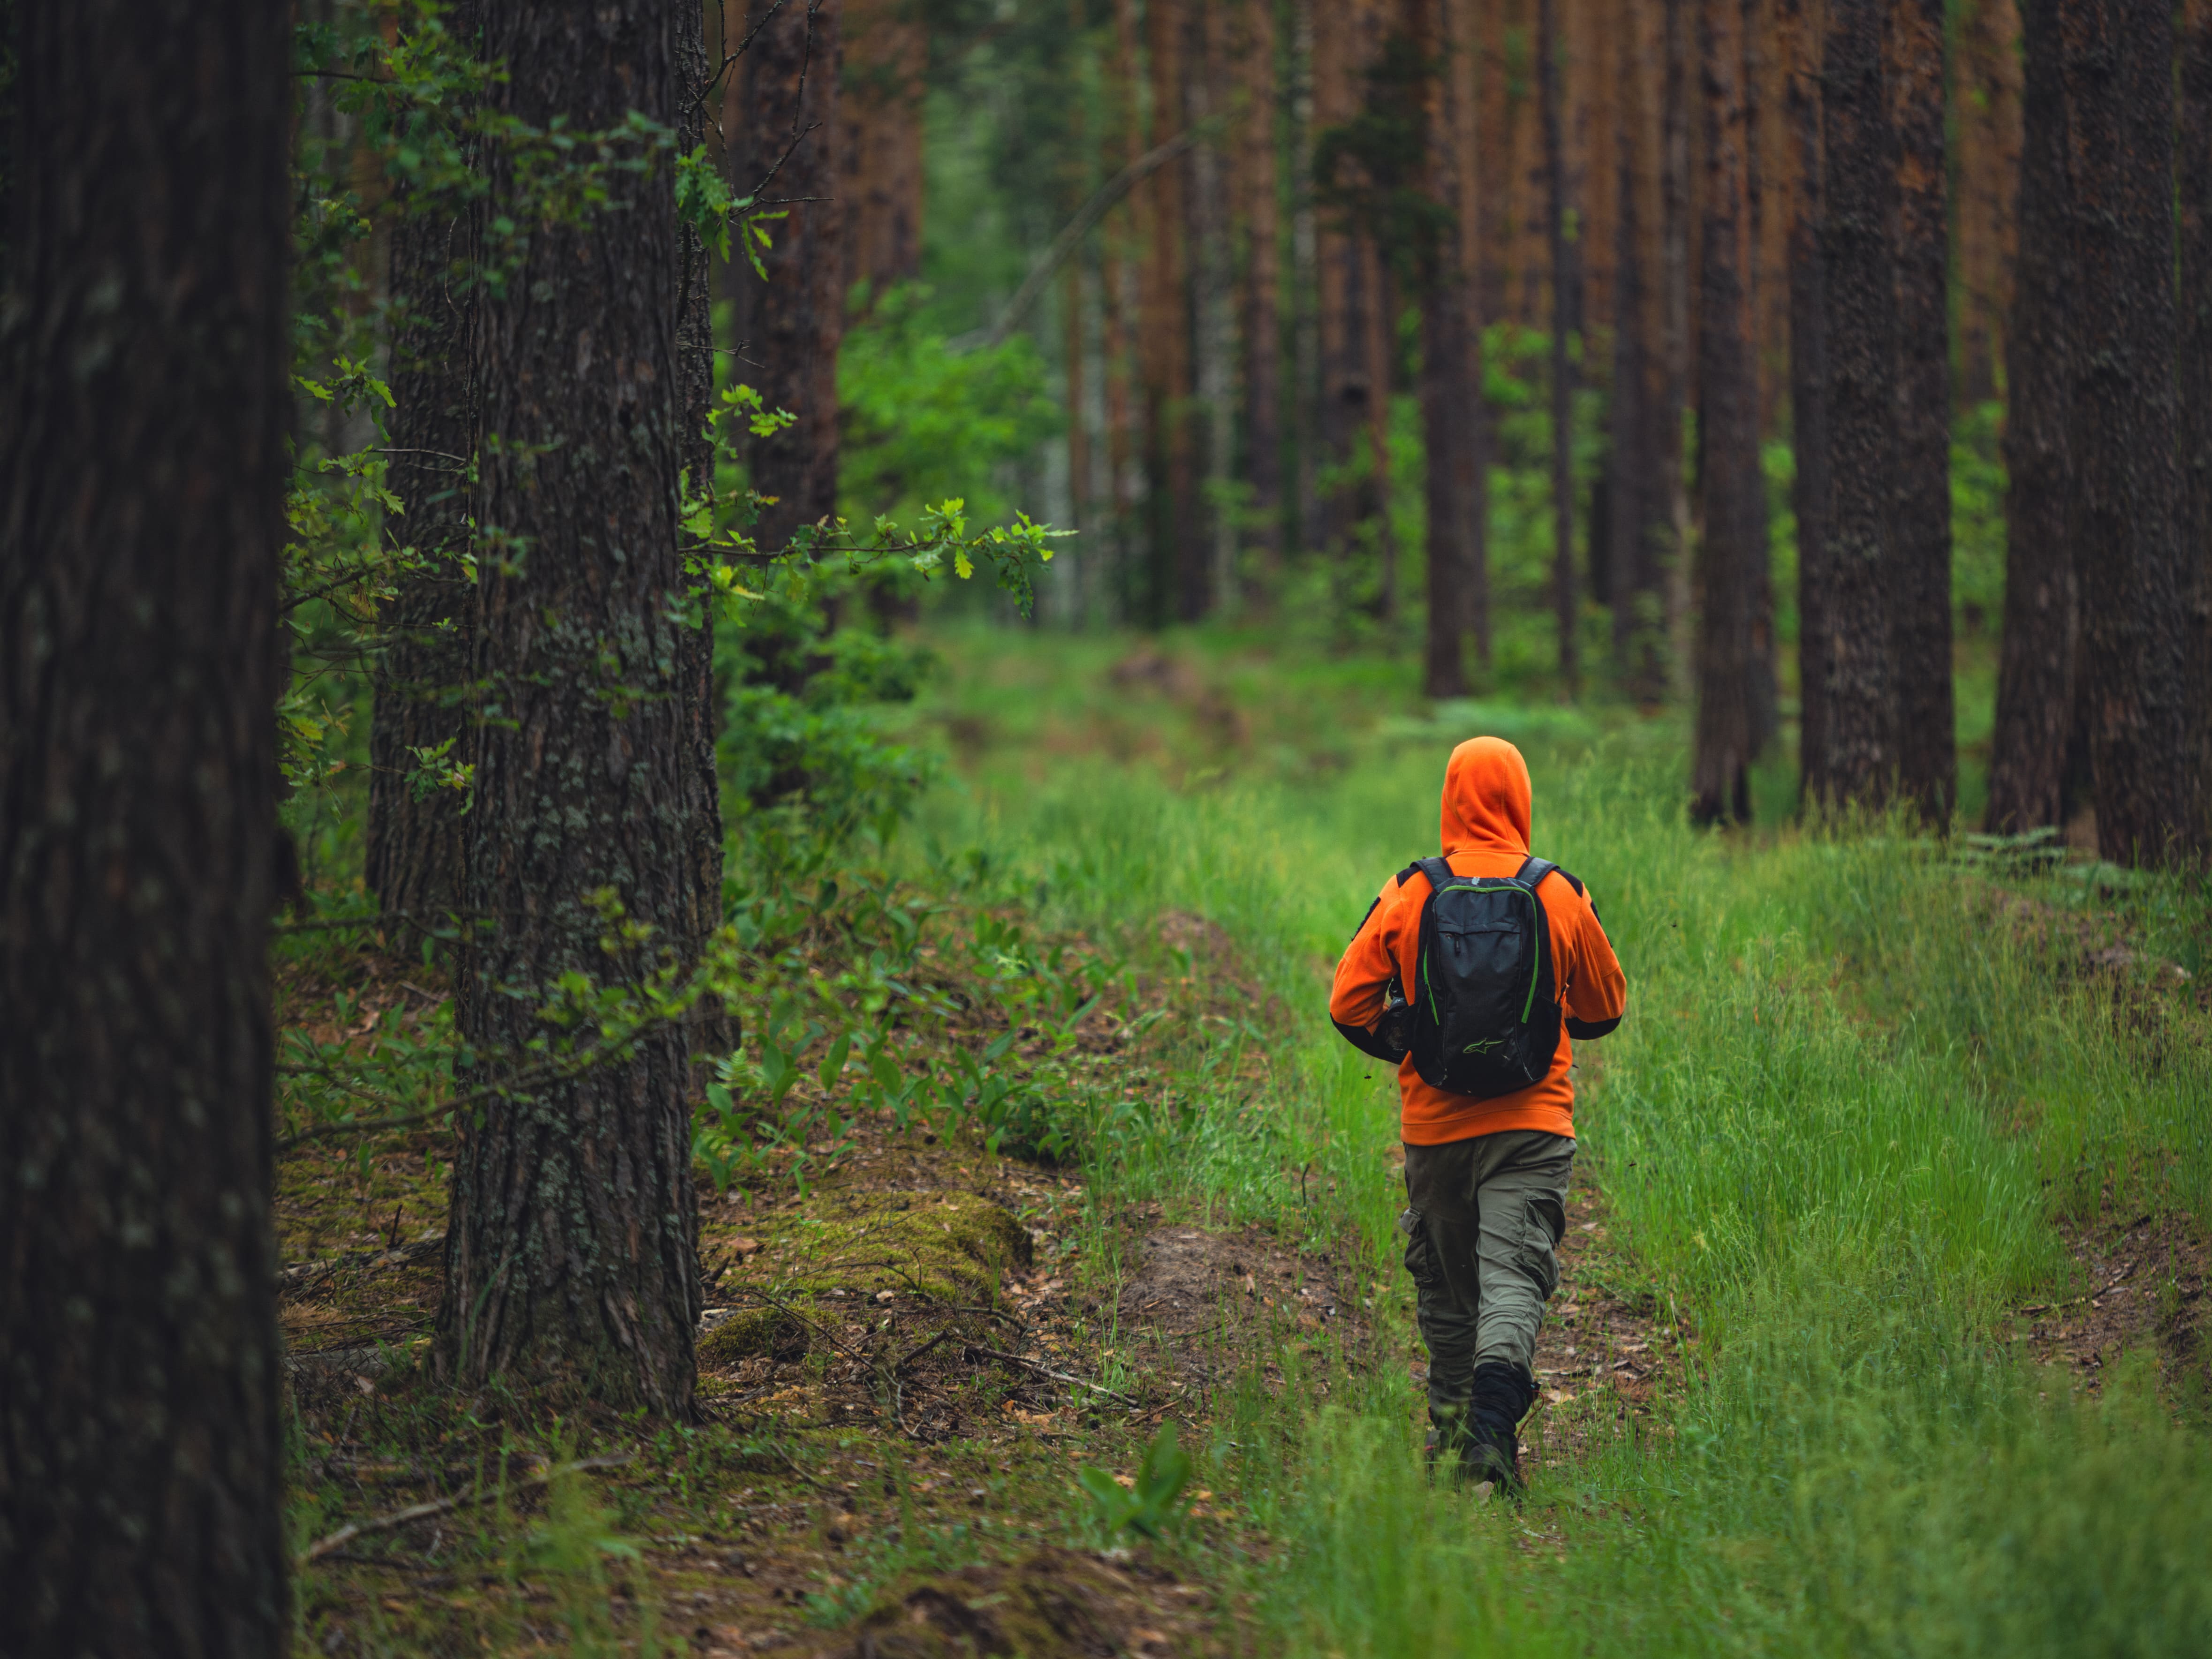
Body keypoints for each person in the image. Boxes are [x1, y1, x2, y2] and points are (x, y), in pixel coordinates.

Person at [1329, 735, 1626, 1492]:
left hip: (1435, 1129)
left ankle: (1459, 1438)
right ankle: (1492, 1435)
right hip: (1532, 1126)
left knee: (1450, 1290)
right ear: (1521, 798)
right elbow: (1606, 1007)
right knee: (1515, 1277)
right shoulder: (1558, 892)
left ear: (1451, 798)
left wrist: (1412, 1036)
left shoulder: (1411, 891)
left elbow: (1347, 1004)